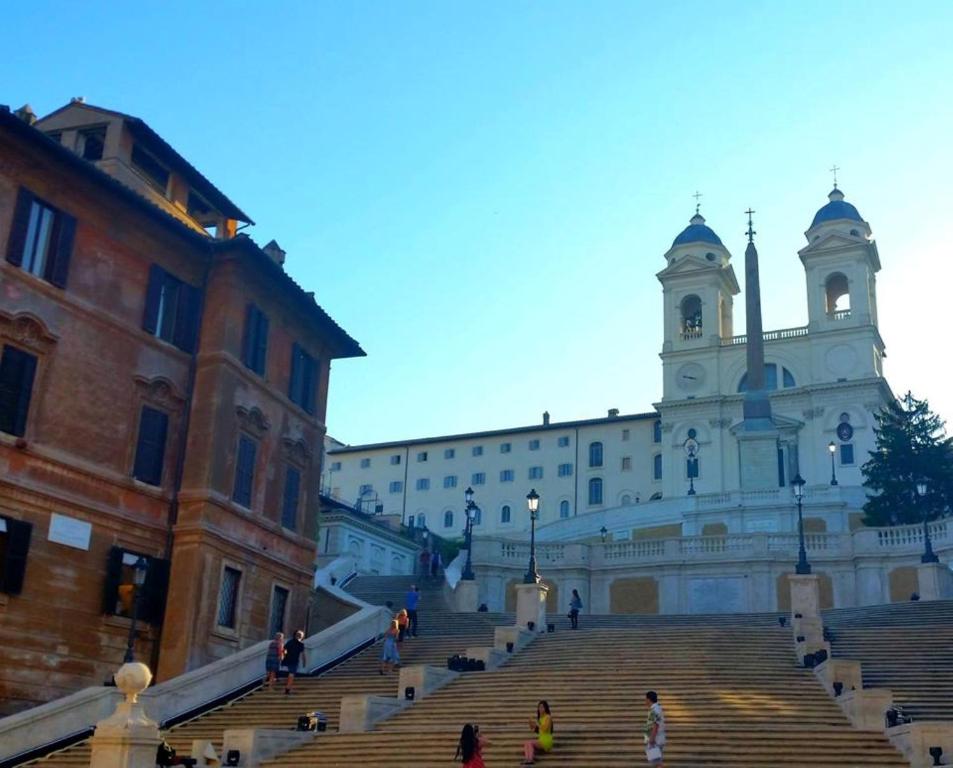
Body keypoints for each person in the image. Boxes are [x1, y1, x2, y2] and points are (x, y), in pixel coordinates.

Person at [522, 700, 553, 765]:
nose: (540, 709)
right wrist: (530, 723)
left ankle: (530, 759)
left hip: (546, 740)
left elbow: (545, 729)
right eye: (539, 707)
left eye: (542, 707)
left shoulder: (548, 717)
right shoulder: (540, 719)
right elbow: (535, 730)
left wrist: (538, 724)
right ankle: (527, 759)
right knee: (526, 743)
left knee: (530, 743)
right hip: (541, 739)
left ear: (545, 708)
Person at [644, 690, 666, 767]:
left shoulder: (654, 710)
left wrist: (651, 739)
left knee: (657, 763)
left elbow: (655, 724)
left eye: (646, 699)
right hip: (657, 739)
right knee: (656, 762)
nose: (645, 701)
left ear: (649, 699)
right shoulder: (657, 708)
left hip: (656, 740)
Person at [282, 629, 306, 695]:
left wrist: (285, 656)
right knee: (291, 674)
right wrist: (304, 662)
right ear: (301, 636)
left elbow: (284, 649)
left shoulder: (290, 642)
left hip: (287, 660)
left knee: (290, 674)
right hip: (294, 661)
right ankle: (287, 689)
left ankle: (288, 687)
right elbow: (303, 654)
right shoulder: (301, 644)